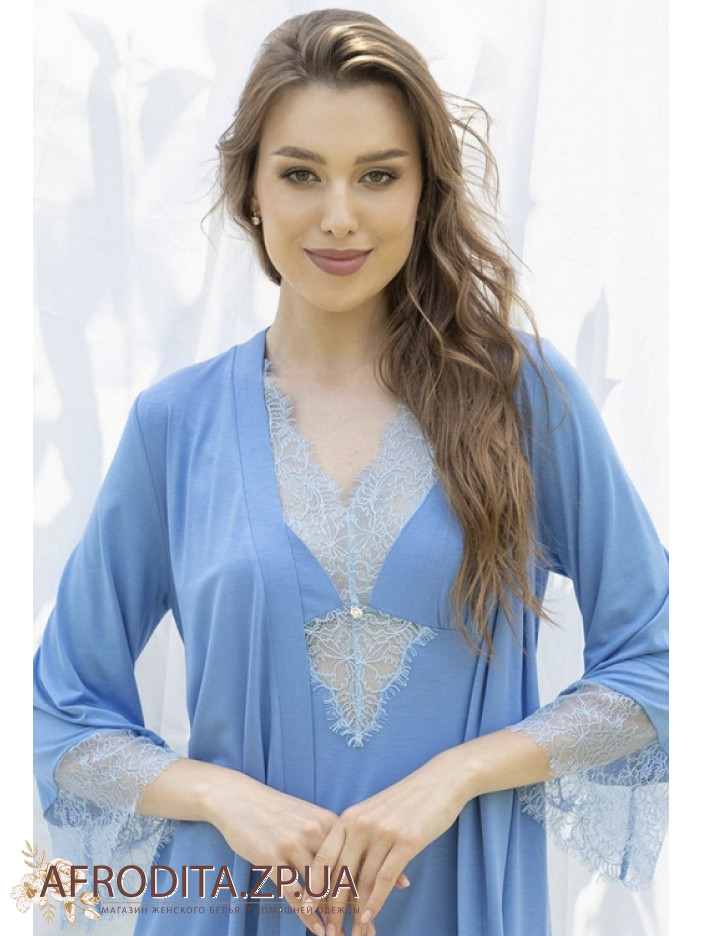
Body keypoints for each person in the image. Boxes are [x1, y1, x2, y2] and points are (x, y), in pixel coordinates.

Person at [33, 8, 669, 936]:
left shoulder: (520, 397)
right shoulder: (175, 426)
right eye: (301, 174)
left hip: (462, 906)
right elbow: (66, 717)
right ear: (250, 189)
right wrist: (221, 795)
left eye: (378, 175)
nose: (339, 215)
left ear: (424, 193)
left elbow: (656, 664)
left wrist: (456, 776)